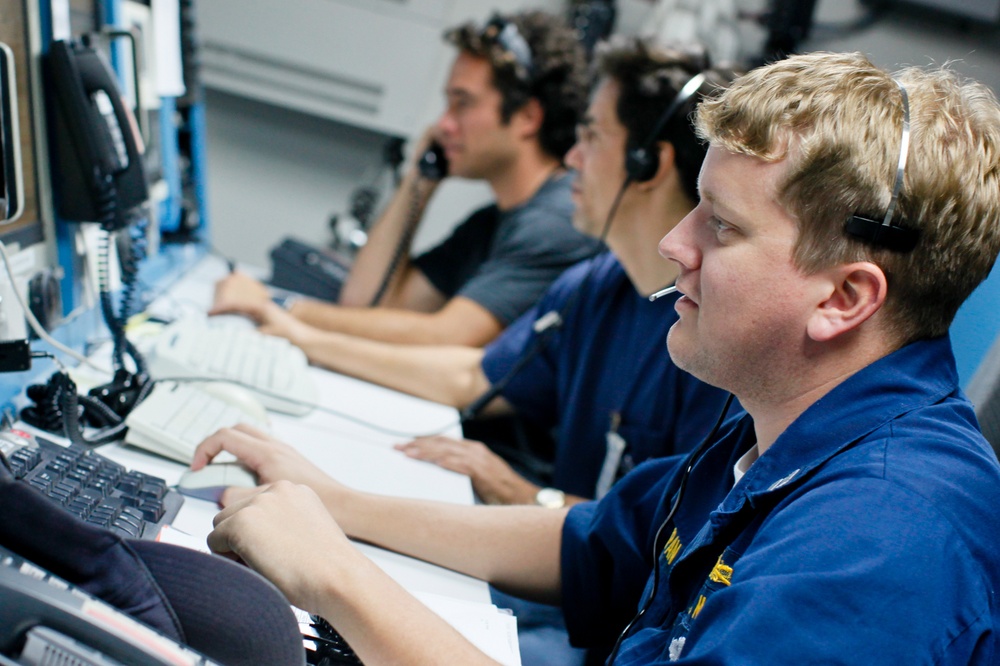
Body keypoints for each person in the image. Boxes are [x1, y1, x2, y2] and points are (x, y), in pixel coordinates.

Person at [195, 51, 1000, 664]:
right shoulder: (782, 428)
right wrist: (338, 504)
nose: (671, 244)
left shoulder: (875, 546)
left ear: (843, 299)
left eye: (720, 227)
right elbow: (582, 544)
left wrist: (335, 577)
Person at [234, 39, 733, 512]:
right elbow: (472, 375)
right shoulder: (596, 286)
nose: (573, 158)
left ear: (646, 165)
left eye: (592, 137)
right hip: (555, 551)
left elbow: (663, 539)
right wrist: (300, 338)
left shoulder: (711, 344)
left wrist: (513, 489)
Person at [212, 10, 600, 347]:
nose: (442, 125)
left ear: (527, 118)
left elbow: (445, 335)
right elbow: (367, 301)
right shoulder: (490, 224)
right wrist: (419, 180)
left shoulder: (558, 218)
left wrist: (275, 306)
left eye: (462, 104)